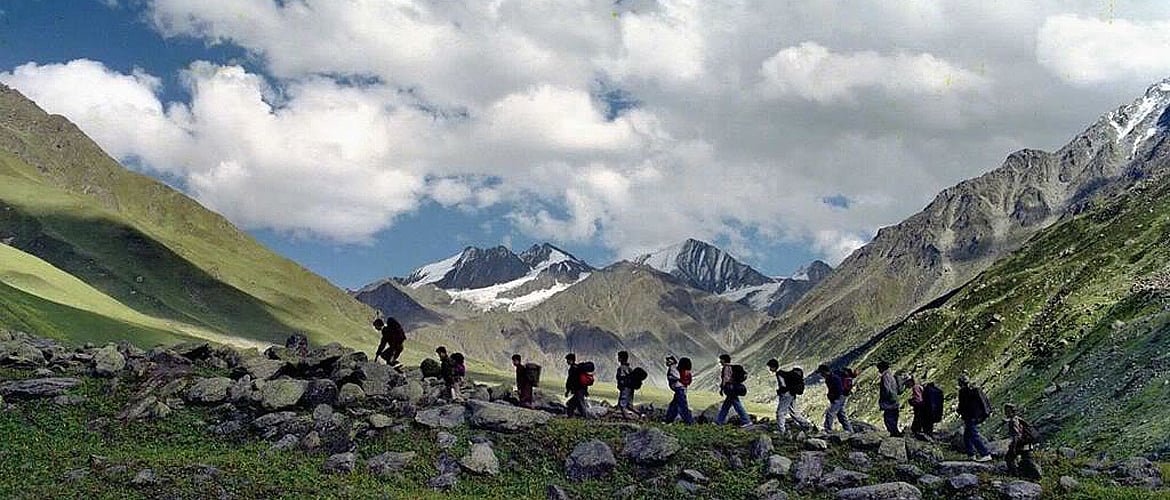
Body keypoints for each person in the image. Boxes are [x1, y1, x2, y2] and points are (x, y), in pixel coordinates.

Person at [768, 359, 812, 436]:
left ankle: (781, 430)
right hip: (792, 393)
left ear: (773, 367)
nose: (769, 369)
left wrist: (779, 391)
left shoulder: (779, 374)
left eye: (770, 367)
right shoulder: (785, 372)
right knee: (794, 412)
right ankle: (806, 425)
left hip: (786, 395)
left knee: (780, 412)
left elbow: (783, 386)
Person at [957, 375, 993, 462]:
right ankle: (971, 454)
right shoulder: (974, 389)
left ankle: (985, 453)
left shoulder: (963, 391)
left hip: (970, 416)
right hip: (977, 415)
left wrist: (959, 411)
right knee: (967, 436)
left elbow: (963, 405)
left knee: (973, 435)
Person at [1004, 403, 1042, 479]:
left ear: (1012, 412)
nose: (1006, 413)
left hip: (1021, 443)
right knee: (1027, 459)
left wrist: (1013, 447)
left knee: (1009, 458)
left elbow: (1017, 435)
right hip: (1027, 442)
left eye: (1007, 411)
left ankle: (1015, 474)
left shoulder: (1013, 421)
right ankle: (1034, 475)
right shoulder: (1019, 419)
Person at [715, 354, 752, 428]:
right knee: (726, 406)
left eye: (721, 360)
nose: (720, 362)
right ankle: (719, 421)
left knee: (737, 405)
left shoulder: (726, 368)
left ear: (724, 360)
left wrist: (722, 388)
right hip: (733, 389)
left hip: (731, 389)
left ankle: (747, 421)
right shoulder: (731, 367)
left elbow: (726, 379)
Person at [819, 364, 854, 433]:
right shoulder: (829, 378)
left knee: (830, 413)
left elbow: (839, 390)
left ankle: (827, 430)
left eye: (821, 373)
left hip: (839, 397)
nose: (820, 375)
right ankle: (850, 430)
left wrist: (834, 397)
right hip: (840, 397)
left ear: (824, 371)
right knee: (841, 415)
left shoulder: (834, 378)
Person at [664, 356, 695, 424]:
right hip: (682, 389)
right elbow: (688, 382)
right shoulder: (688, 373)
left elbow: (677, 377)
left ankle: (689, 421)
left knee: (682, 406)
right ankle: (668, 420)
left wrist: (672, 378)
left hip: (679, 389)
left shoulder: (678, 371)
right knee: (674, 405)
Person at [877, 361, 903, 436]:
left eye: (879, 368)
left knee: (888, 420)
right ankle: (896, 434)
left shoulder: (885, 376)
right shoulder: (891, 375)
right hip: (895, 403)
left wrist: (883, 401)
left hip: (889, 404)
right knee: (893, 420)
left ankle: (895, 435)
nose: (879, 370)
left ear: (882, 368)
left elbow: (886, 389)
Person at [615, 351, 639, 419]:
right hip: (630, 388)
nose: (618, 358)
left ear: (621, 358)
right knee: (629, 404)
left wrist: (620, 385)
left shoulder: (621, 368)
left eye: (619, 357)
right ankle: (640, 415)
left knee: (623, 404)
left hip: (625, 388)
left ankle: (627, 418)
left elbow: (622, 378)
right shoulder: (629, 368)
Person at [564, 353, 588, 418]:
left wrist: (567, 390)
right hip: (579, 390)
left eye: (568, 360)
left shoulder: (574, 369)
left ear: (571, 360)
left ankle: (584, 417)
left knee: (579, 404)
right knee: (573, 404)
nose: (567, 361)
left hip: (578, 390)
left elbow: (570, 381)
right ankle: (572, 416)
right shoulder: (576, 368)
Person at [907, 375, 932, 440]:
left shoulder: (915, 387)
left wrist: (912, 401)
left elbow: (918, 399)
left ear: (911, 382)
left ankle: (917, 432)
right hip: (923, 406)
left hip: (919, 406)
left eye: (908, 383)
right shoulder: (919, 386)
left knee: (918, 419)